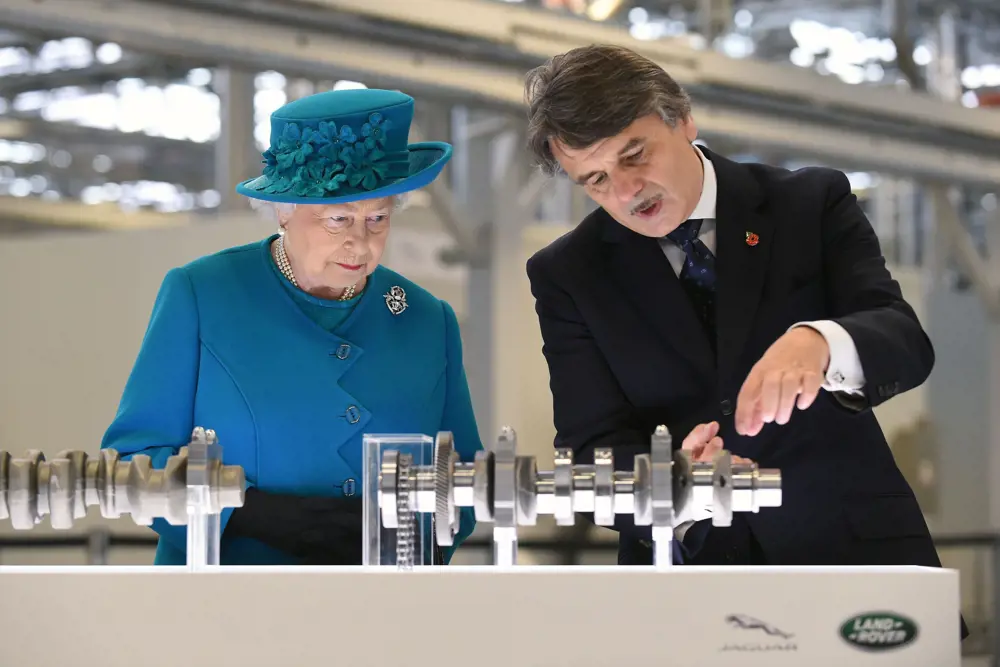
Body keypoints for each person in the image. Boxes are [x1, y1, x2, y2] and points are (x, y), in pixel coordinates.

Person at [523, 45, 948, 575]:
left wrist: (820, 342)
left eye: (634, 155)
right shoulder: (568, 274)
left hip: (851, 556)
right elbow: (589, 453)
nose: (627, 191)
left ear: (682, 119)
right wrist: (675, 482)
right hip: (689, 575)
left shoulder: (809, 203)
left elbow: (904, 343)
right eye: (597, 180)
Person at [101, 88, 483, 566]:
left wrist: (414, 534)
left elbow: (466, 478)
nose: (360, 243)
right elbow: (134, 461)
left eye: (377, 219)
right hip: (223, 603)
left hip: (381, 610)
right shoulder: (203, 293)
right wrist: (246, 513)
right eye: (338, 219)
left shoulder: (427, 319)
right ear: (284, 210)